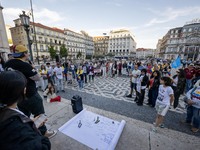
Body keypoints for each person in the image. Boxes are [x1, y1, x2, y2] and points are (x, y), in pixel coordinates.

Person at [4, 44, 56, 138]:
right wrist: (33, 68)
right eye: (27, 52)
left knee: (24, 114)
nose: (28, 54)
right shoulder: (24, 65)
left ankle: (28, 129)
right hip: (30, 93)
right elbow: (37, 77)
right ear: (24, 54)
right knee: (39, 113)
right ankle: (43, 132)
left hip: (17, 96)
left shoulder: (7, 63)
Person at [0, 71, 51, 150]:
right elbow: (43, 146)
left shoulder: (6, 112)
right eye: (24, 86)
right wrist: (34, 130)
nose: (25, 88)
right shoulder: (17, 128)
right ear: (19, 92)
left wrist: (31, 124)